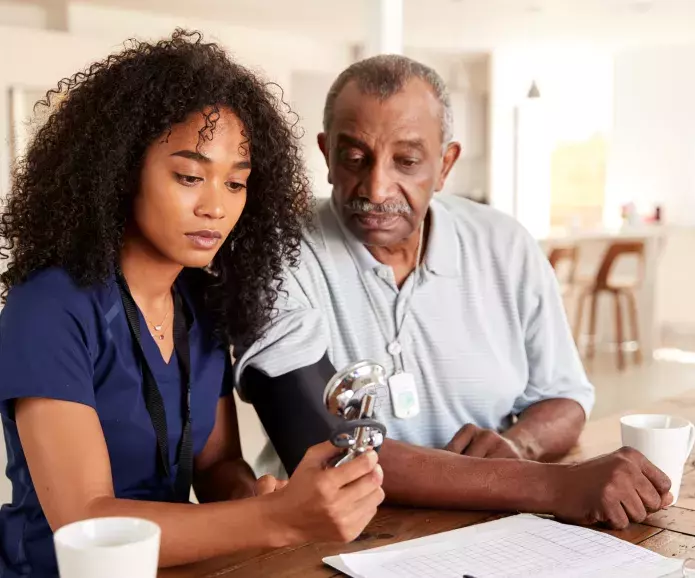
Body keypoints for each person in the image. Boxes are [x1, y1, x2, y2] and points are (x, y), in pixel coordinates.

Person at [0, 30, 384, 578]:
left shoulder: (199, 303)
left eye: (236, 184)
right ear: (119, 171)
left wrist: (257, 494)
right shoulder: (49, 308)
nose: (215, 207)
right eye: (189, 176)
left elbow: (218, 464)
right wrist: (276, 519)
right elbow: (86, 524)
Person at [234, 54, 672, 530]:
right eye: (355, 157)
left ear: (445, 164)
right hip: (326, 536)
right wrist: (549, 484)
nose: (378, 187)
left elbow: (564, 398)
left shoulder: (506, 244)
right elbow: (323, 441)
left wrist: (518, 446)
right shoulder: (274, 252)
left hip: (490, 526)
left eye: (407, 161)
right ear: (326, 155)